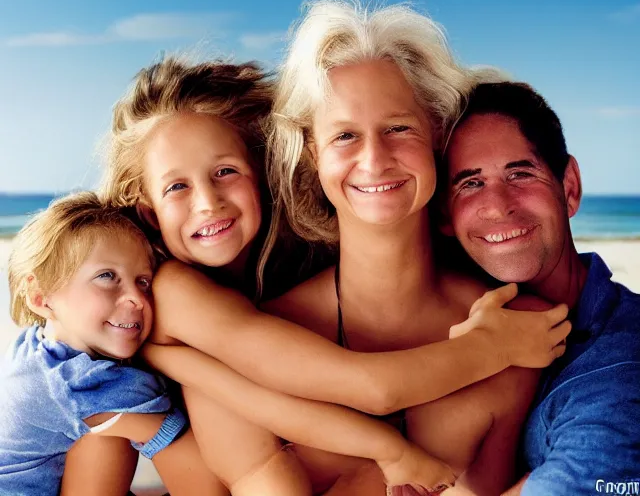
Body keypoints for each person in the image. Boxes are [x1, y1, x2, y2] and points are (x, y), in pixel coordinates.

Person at [63, 48, 570, 495]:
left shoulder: (280, 273)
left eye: (225, 172)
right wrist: (492, 348)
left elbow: (268, 399)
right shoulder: (173, 289)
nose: (209, 203)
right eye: (177, 187)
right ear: (149, 212)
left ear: (262, 175)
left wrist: (184, 366)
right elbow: (367, 388)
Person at [259, 0, 574, 495]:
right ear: (312, 151)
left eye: (398, 127)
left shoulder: (518, 325)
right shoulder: (271, 326)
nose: (374, 159)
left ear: (436, 132)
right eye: (344, 136)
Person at [441, 81, 640, 496]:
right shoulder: (442, 325)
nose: (498, 205)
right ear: (444, 216)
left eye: (520, 173)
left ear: (569, 187)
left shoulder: (621, 366)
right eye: (470, 183)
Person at [0, 192, 224, 496]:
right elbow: (204, 482)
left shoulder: (33, 348)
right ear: (41, 297)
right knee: (111, 436)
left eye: (143, 281)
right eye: (107, 276)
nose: (137, 298)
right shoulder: (84, 385)